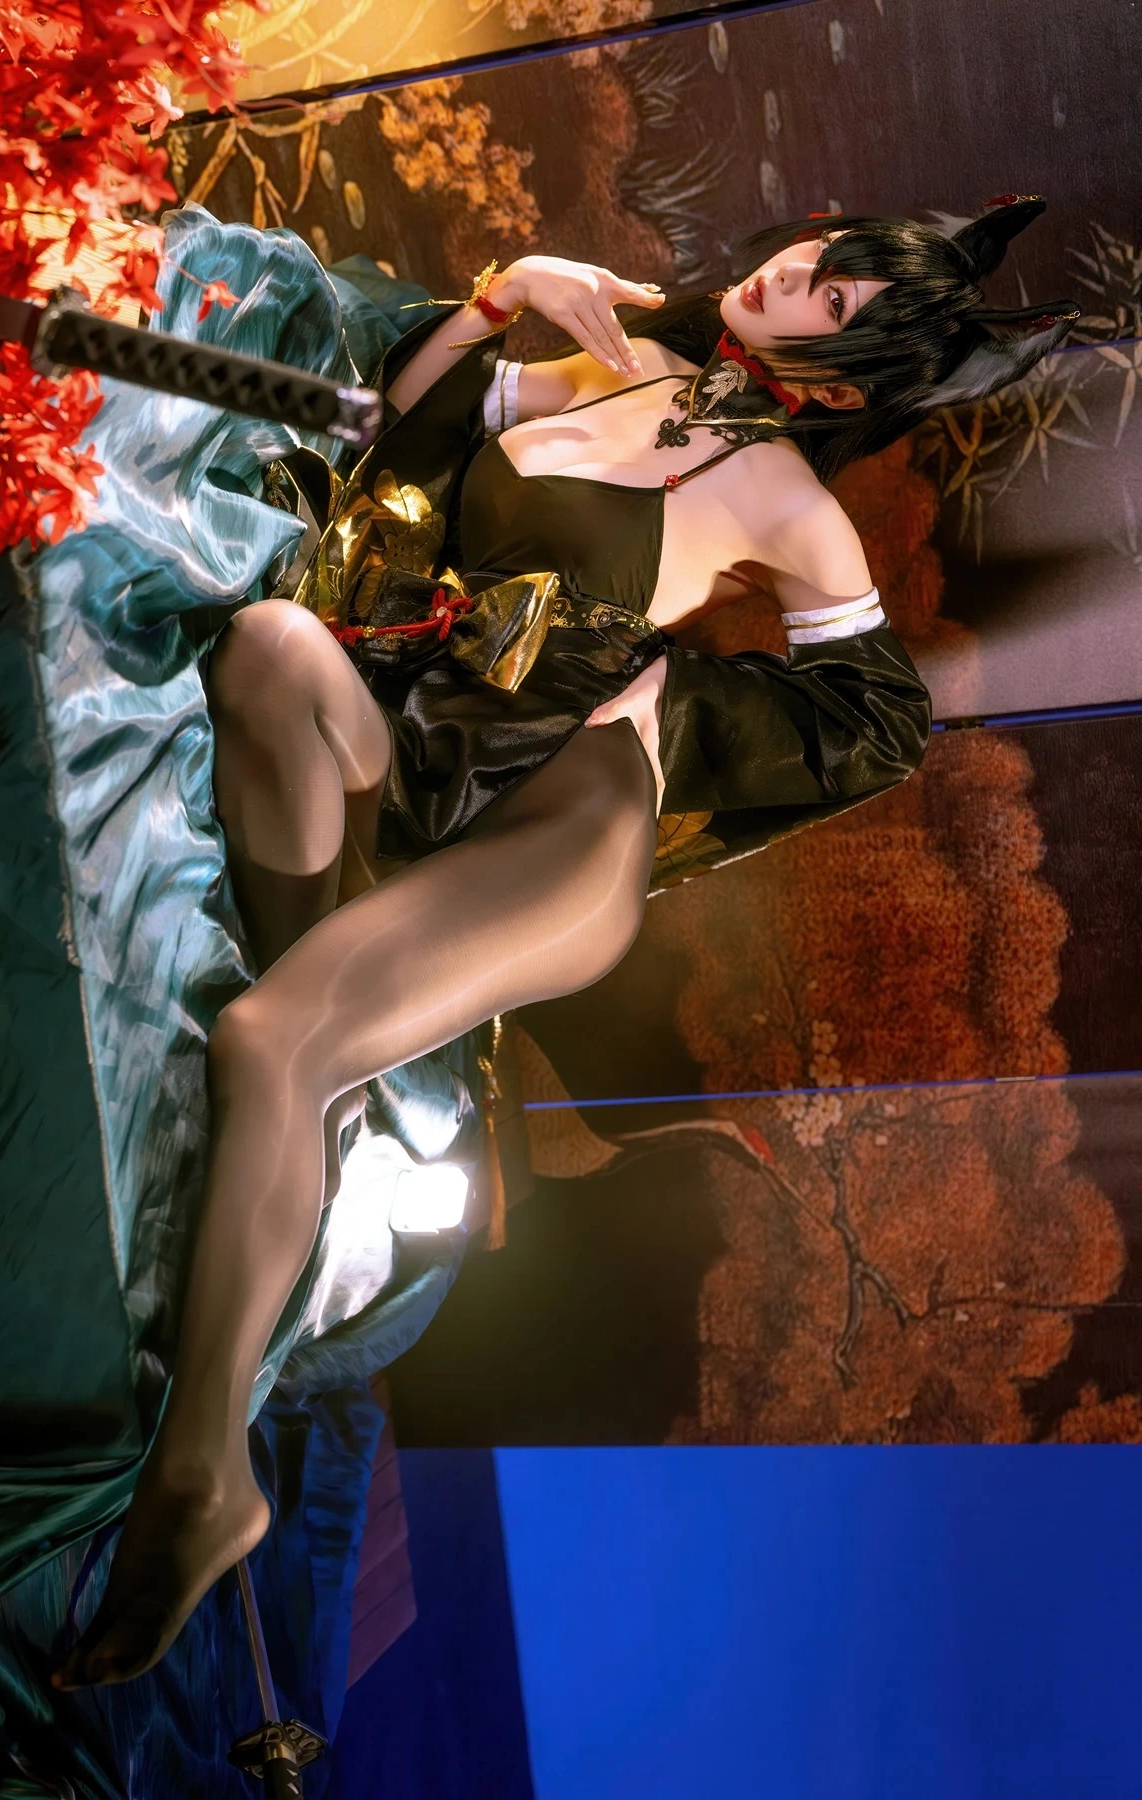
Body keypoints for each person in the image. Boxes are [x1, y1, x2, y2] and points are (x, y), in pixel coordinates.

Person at [55, 195, 1076, 1688]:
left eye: (838, 303)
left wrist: (677, 710)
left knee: (269, 1040)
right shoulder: (617, 363)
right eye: (825, 255)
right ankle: (327, 1091)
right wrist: (499, 299)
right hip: (420, 751)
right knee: (270, 649)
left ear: (843, 380)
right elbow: (396, 441)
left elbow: (877, 724)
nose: (798, 272)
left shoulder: (786, 503)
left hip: (561, 824)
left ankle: (205, 1475)